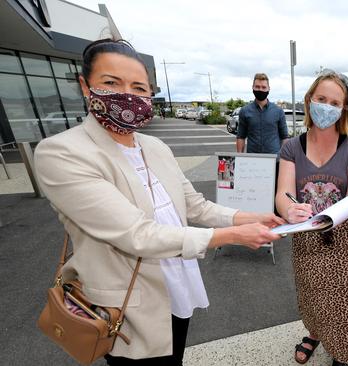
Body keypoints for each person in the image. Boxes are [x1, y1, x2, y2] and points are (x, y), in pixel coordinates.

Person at [34, 38, 283, 366]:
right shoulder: (62, 153)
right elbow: (136, 234)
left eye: (139, 87)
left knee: (174, 356)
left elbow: (194, 205)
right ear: (85, 85)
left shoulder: (154, 147)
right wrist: (233, 236)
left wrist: (246, 217)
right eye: (111, 83)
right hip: (126, 303)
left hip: (176, 282)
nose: (128, 95)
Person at [275, 69, 348, 366]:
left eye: (334, 102)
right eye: (321, 99)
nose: (326, 107)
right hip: (308, 241)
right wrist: (289, 208)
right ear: (309, 100)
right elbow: (283, 194)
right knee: (315, 300)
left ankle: (344, 356)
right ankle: (316, 333)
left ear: (343, 109)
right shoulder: (292, 147)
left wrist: (329, 215)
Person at [236, 73, 288, 153]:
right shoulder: (244, 111)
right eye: (257, 87)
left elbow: (284, 137)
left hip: (274, 161)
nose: (260, 90)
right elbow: (241, 137)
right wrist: (239, 158)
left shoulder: (278, 111)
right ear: (252, 87)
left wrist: (284, 158)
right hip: (253, 161)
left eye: (264, 87)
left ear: (268, 89)